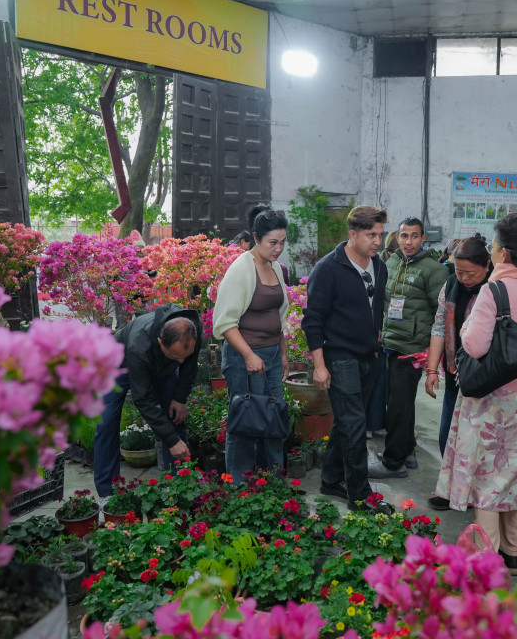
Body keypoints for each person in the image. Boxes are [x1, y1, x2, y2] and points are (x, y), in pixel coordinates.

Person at [433, 214, 517, 577]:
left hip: (492, 399)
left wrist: (468, 329)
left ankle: (487, 557)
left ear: (504, 253)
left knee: (487, 477)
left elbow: (474, 346)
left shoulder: (494, 291)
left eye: (493, 247)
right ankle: (514, 554)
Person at [303, 205, 393, 512]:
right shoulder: (328, 269)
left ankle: (331, 479)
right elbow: (312, 320)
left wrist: (376, 340)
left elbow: (376, 308)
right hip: (339, 356)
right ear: (353, 234)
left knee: (347, 421)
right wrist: (319, 365)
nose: (377, 241)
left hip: (369, 355)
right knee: (355, 423)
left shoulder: (379, 266)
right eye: (371, 235)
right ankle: (360, 495)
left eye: (380, 235)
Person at [213, 207, 289, 482]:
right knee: (244, 419)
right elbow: (224, 322)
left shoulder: (275, 268)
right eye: (273, 242)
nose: (278, 249)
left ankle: (273, 480)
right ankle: (239, 484)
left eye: (282, 242)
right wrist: (248, 355)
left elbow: (279, 317)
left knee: (273, 416)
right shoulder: (241, 269)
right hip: (243, 358)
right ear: (256, 238)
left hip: (271, 355)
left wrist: (282, 354)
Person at [369, 217, 448, 479]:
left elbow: (441, 315)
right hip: (391, 342)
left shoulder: (434, 270)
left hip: (413, 348)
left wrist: (433, 357)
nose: (409, 241)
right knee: (399, 402)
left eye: (414, 236)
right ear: (397, 238)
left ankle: (394, 462)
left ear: (423, 238)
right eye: (404, 236)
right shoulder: (391, 262)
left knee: (399, 404)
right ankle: (407, 449)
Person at [93, 305, 200, 497]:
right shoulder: (139, 344)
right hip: (118, 364)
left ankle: (178, 487)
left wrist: (179, 398)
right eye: (176, 357)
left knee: (175, 416)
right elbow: (143, 399)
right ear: (160, 342)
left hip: (162, 367)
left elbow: (189, 366)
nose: (181, 362)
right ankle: (107, 494)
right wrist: (172, 441)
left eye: (185, 356)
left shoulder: (193, 330)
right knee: (106, 422)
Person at [423, 234, 492, 510]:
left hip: (486, 378)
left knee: (479, 440)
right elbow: (440, 326)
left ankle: (475, 493)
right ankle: (451, 489)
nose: (464, 278)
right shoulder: (451, 284)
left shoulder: (497, 289)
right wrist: (432, 369)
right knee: (448, 435)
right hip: (455, 373)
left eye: (470, 273)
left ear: (487, 266)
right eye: (459, 271)